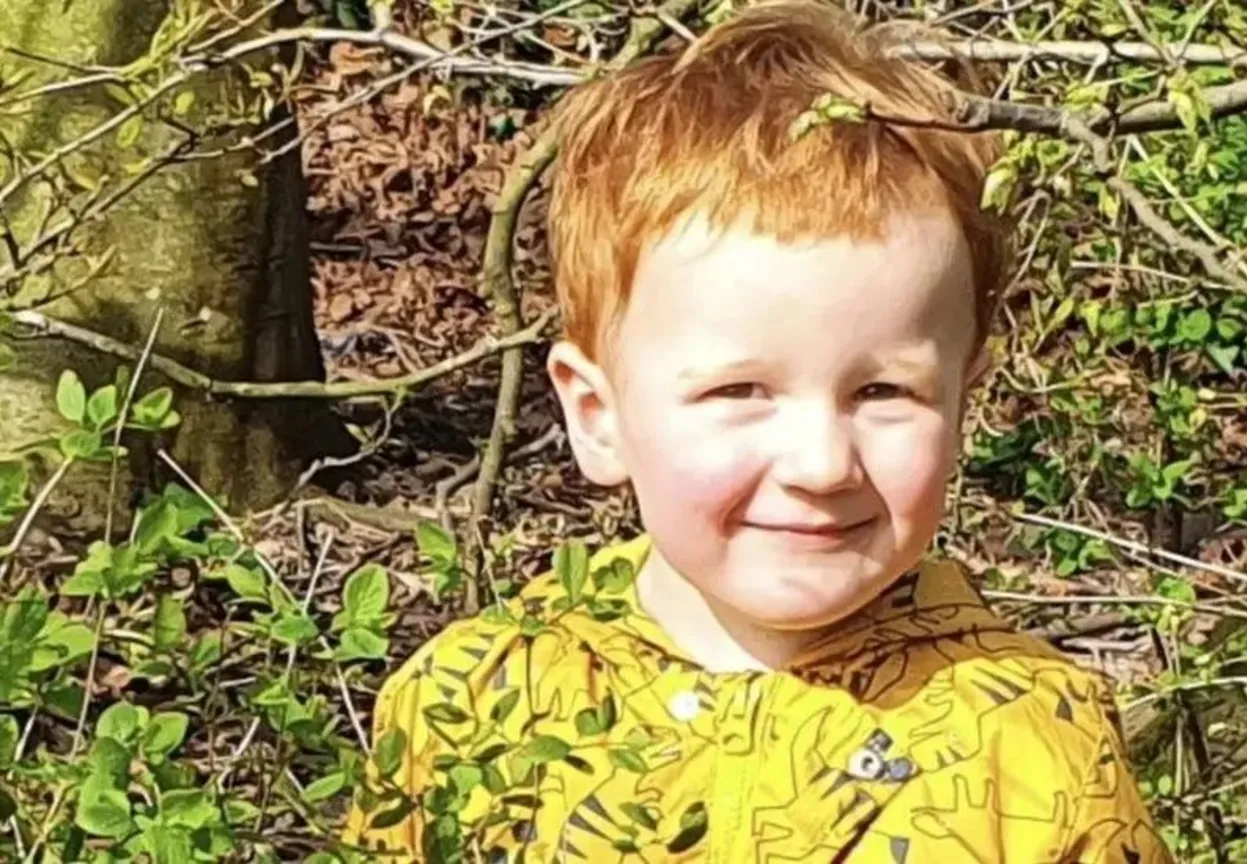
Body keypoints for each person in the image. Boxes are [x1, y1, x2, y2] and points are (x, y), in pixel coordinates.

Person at [345, 1, 1171, 860]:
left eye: (884, 391)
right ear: (598, 416)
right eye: (740, 390)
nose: (820, 464)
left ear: (963, 399)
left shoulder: (1032, 741)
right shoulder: (475, 705)